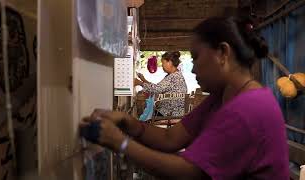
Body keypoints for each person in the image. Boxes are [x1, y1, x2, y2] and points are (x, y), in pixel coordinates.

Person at [81, 16, 289, 179]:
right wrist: (129, 123)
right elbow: (170, 138)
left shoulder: (249, 108)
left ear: (223, 53)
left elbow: (189, 173)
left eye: (196, 56)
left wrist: (121, 143)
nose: (193, 67)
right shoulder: (221, 97)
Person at [134, 51, 187, 117]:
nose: (162, 66)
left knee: (145, 116)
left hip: (170, 113)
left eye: (163, 63)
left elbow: (156, 89)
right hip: (171, 111)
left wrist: (140, 83)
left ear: (170, 62)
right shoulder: (175, 75)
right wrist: (143, 80)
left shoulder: (174, 77)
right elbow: (158, 87)